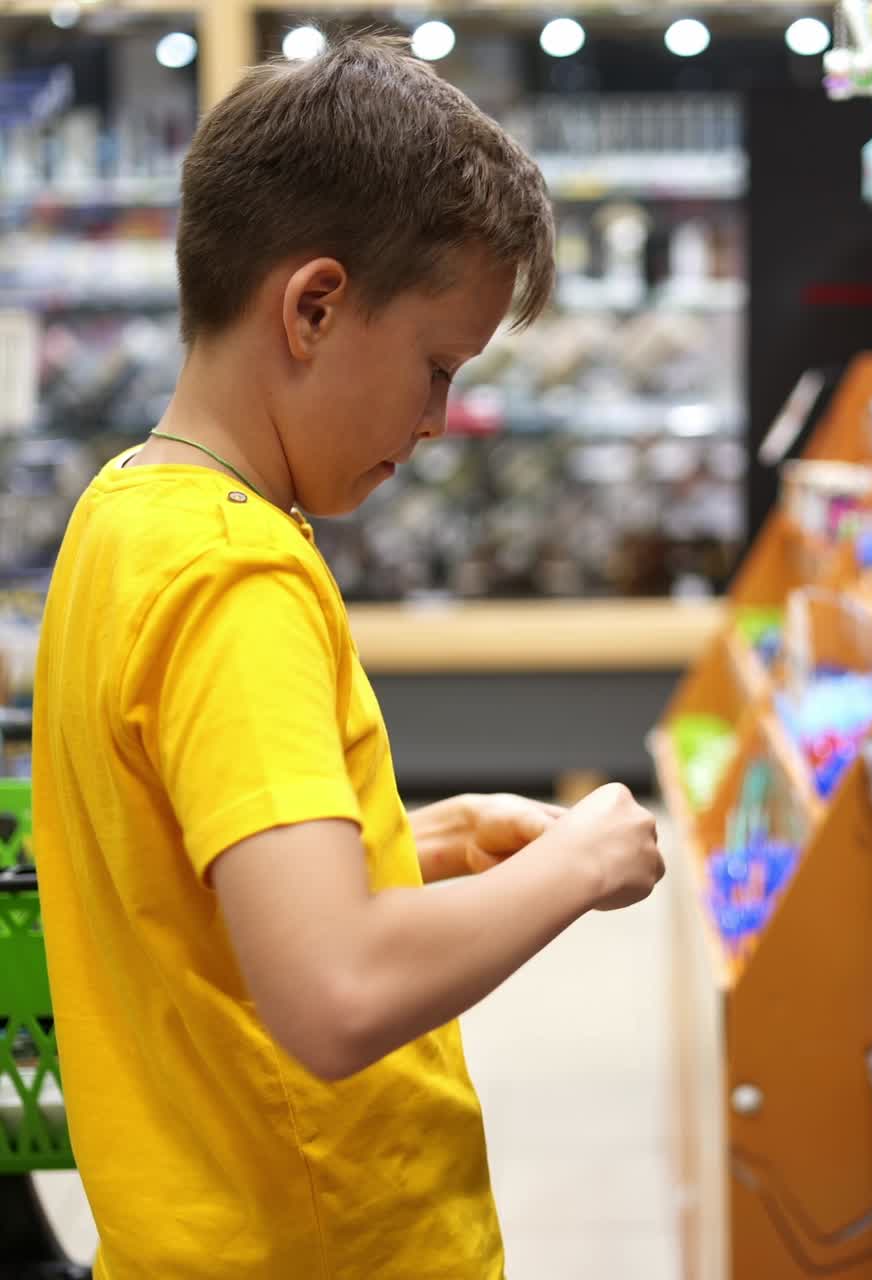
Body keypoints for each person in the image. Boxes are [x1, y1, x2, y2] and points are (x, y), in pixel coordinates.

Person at [31, 33, 665, 1280]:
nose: (437, 423)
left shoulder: (124, 515)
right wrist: (582, 860)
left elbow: (185, 874)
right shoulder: (236, 577)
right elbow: (332, 993)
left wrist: (402, 843)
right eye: (435, 367)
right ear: (314, 305)